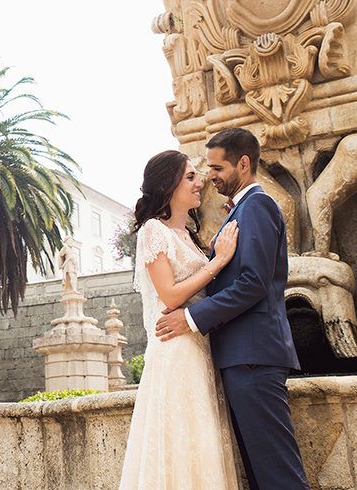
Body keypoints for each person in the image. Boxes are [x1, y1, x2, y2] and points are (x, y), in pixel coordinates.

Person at [155, 127, 310, 490]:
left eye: (217, 168)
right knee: (261, 474)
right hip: (242, 355)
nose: (210, 176)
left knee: (278, 474)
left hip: (253, 355)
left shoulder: (258, 206)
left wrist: (191, 318)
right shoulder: (241, 209)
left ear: (243, 163)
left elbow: (253, 283)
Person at [118, 150, 241, 490]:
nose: (200, 182)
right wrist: (218, 262)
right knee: (181, 439)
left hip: (200, 345)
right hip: (176, 350)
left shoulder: (188, 233)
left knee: (203, 441)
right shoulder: (153, 231)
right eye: (190, 176)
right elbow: (170, 295)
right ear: (167, 185)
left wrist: (215, 254)